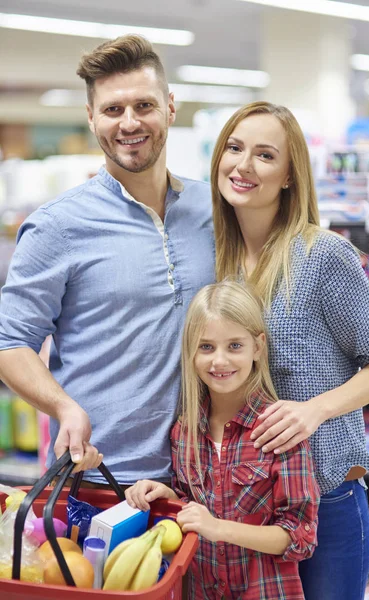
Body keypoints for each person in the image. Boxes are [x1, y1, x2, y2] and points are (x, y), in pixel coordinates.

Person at [209, 101, 369, 600]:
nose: (243, 165)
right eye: (234, 148)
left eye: (265, 155)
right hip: (240, 504)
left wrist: (314, 410)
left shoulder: (323, 255)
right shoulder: (213, 261)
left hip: (325, 501)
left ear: (290, 175)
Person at [0, 34, 215, 484]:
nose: (129, 122)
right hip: (100, 477)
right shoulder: (56, 226)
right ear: (92, 117)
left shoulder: (213, 210)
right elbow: (10, 343)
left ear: (170, 108)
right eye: (113, 109)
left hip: (207, 479)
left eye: (144, 106)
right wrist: (62, 406)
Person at [125, 280, 320, 600]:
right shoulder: (184, 432)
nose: (219, 361)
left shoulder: (279, 430)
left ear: (257, 347)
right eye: (206, 347)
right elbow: (195, 510)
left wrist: (218, 528)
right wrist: (168, 497)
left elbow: (300, 537)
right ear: (191, 351)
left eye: (234, 346)